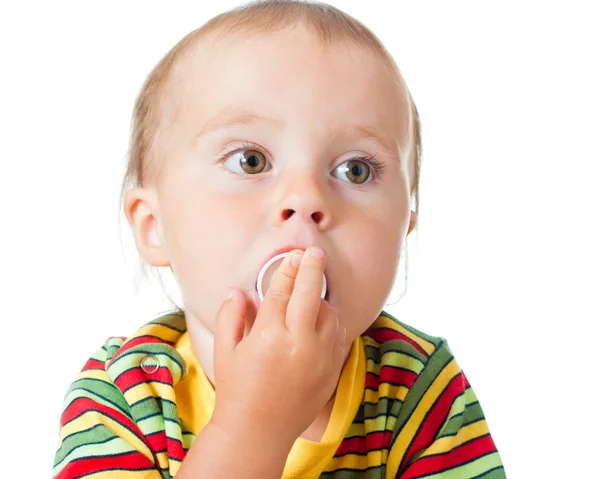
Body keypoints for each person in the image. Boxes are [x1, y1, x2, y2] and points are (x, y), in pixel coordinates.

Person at [52, 1, 506, 477]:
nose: (306, 198)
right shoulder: (120, 397)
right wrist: (254, 426)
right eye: (251, 160)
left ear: (405, 227)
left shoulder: (419, 389)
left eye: (356, 169)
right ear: (153, 225)